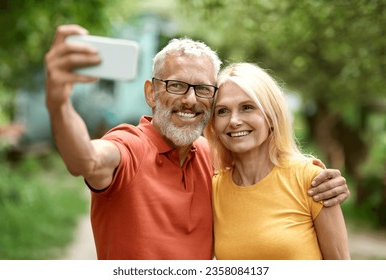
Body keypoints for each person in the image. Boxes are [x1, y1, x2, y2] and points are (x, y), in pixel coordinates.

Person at [45, 24, 350, 260]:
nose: (190, 100)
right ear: (151, 92)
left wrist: (327, 182)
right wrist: (58, 102)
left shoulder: (210, 158)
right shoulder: (131, 146)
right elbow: (85, 159)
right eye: (177, 85)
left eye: (203, 89)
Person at [204, 62, 350, 259]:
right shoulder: (212, 189)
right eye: (222, 111)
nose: (234, 120)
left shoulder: (313, 180)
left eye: (247, 107)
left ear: (271, 117)